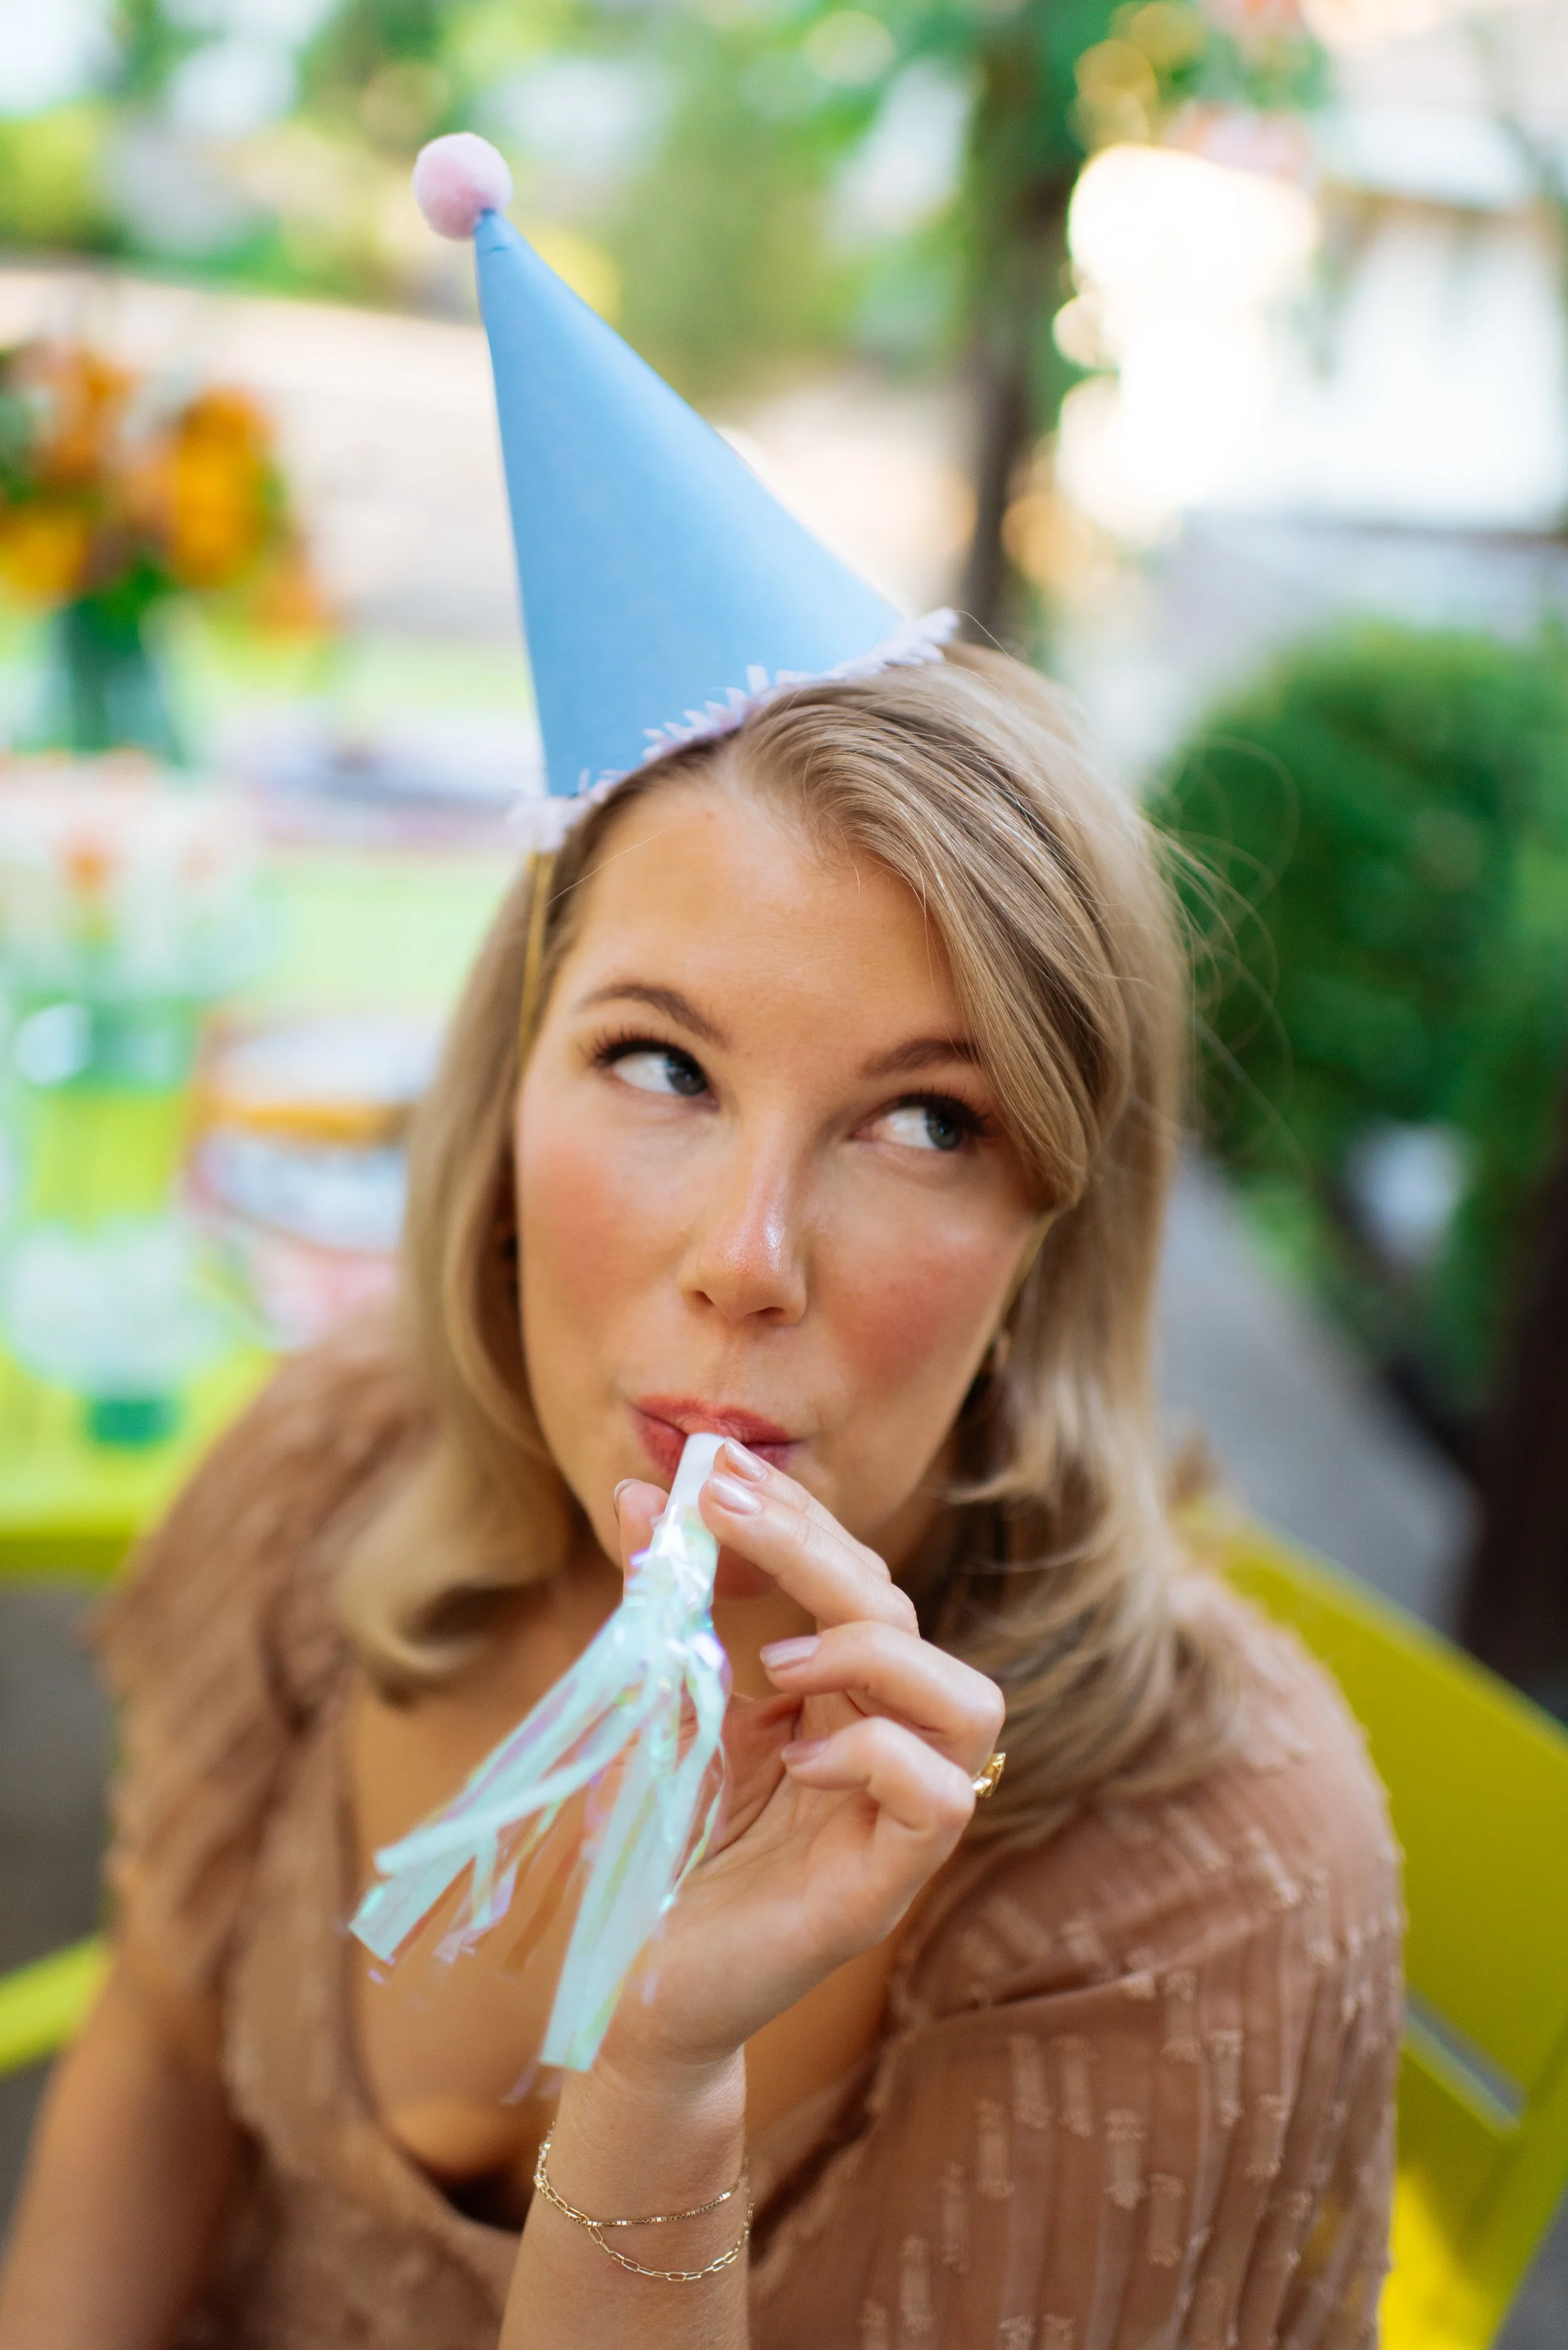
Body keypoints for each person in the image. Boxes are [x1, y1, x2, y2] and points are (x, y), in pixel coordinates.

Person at [0, 141, 1399, 2350]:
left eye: (924, 1121)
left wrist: (661, 2073)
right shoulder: (329, 1475)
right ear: (507, 1082)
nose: (747, 1255)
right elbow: (162, 2069)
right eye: (661, 1067)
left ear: (1056, 1220)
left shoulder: (1193, 1895)